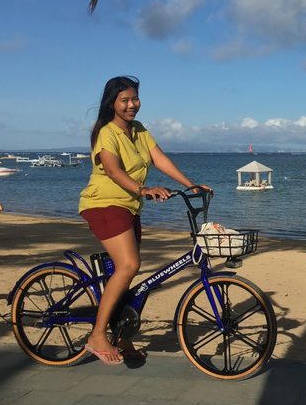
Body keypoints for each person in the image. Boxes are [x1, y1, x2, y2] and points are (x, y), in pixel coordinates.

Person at [78, 76, 210, 365]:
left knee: (125, 275)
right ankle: (97, 336)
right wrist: (144, 189)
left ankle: (120, 336)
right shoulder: (106, 133)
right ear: (111, 103)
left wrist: (190, 185)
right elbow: (112, 170)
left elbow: (159, 159)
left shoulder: (139, 130)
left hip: (129, 206)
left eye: (134, 98)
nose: (131, 105)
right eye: (124, 100)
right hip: (104, 204)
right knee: (129, 265)